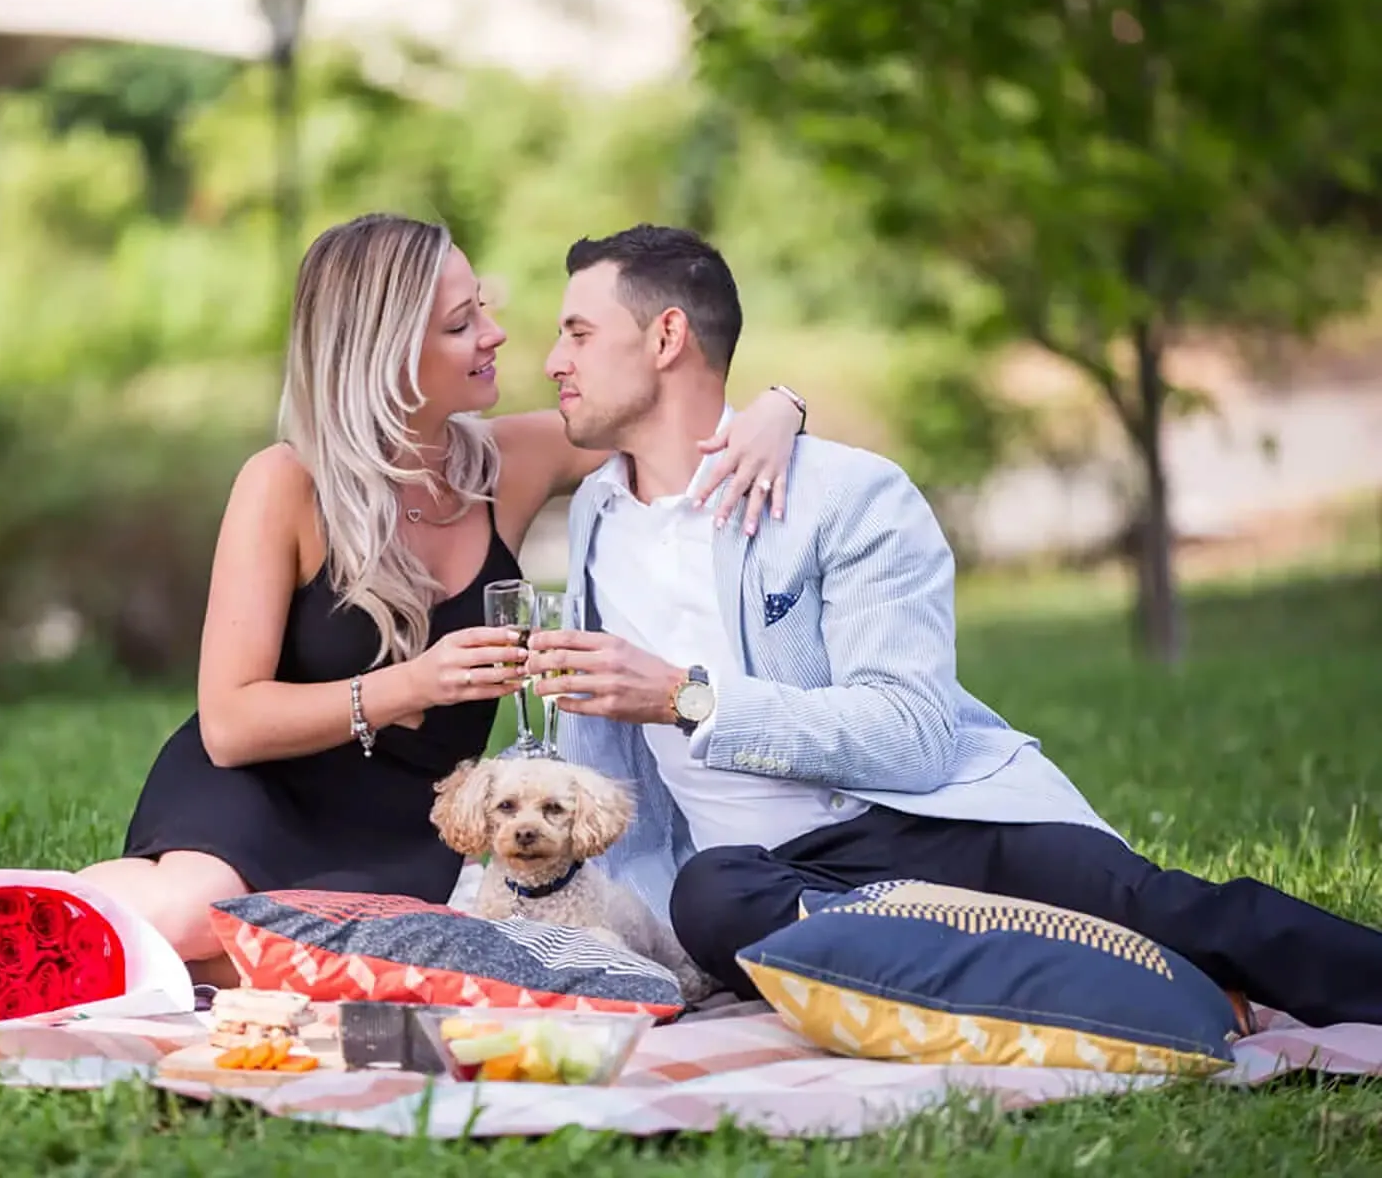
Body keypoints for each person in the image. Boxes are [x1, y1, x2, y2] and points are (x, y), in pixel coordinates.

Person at [0, 212, 808, 987]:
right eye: (463, 322)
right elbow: (231, 720)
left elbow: (663, 392)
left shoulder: (512, 460)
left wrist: (780, 408)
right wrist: (402, 685)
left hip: (411, 819)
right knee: (204, 912)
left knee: (361, 961)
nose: (499, 334)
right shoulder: (286, 485)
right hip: (263, 786)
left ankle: (36, 931)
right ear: (387, 352)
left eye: (484, 308)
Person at [525, 223, 1382, 1029]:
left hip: (936, 823)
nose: (554, 359)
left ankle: (1094, 967)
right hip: (773, 879)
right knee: (710, 900)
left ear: (667, 336)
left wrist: (689, 699)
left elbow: (911, 735)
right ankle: (1104, 977)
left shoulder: (846, 495)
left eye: (578, 333)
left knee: (1177, 910)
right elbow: (605, 771)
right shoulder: (598, 511)